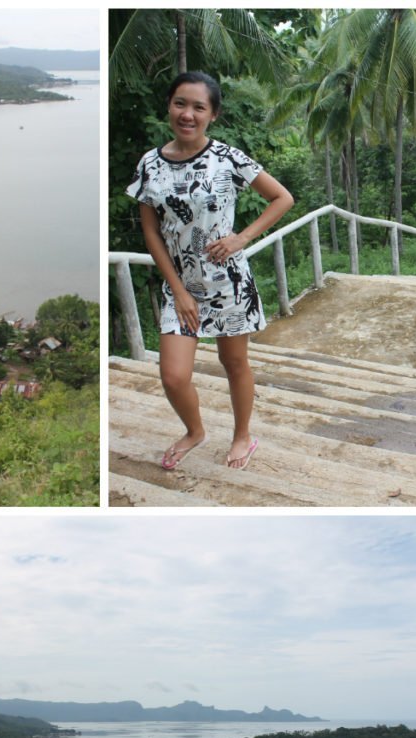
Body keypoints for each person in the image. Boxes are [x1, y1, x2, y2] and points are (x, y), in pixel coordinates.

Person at [126, 71, 294, 470]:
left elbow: (282, 198)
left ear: (212, 114)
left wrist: (241, 238)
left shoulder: (228, 158)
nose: (188, 114)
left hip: (228, 282)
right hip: (179, 285)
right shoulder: (150, 164)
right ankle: (195, 430)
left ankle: (242, 436)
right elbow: (151, 232)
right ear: (169, 106)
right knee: (173, 375)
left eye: (198, 107)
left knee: (234, 364)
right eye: (180, 103)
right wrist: (178, 291)